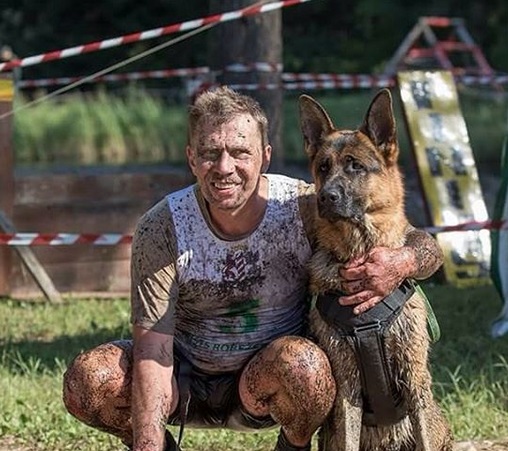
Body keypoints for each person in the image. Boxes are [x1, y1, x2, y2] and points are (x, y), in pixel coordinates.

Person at [62, 86, 444, 451]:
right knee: (90, 380)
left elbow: (423, 245)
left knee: (305, 365)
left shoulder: (305, 206)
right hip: (183, 379)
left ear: (265, 155)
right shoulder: (163, 225)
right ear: (192, 158)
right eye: (211, 152)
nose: (224, 167)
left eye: (239, 152)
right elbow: (151, 349)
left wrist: (401, 262)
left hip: (267, 381)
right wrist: (148, 443)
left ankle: (292, 447)